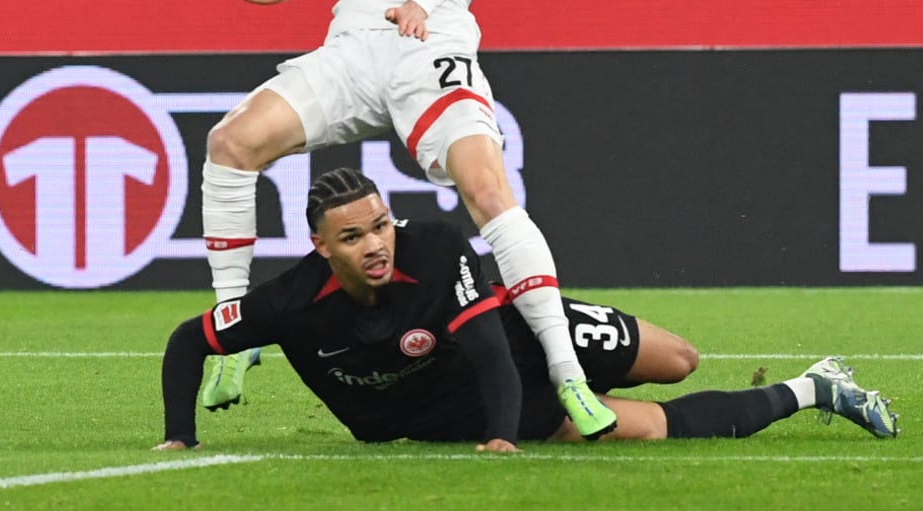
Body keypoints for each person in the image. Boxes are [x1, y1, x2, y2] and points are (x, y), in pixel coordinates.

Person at [155, 168, 899, 451]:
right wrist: (179, 438)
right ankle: (812, 387)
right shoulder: (289, 303)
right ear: (321, 247)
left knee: (678, 361)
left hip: (504, 331)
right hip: (444, 408)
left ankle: (579, 378)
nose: (377, 245)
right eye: (353, 237)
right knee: (644, 431)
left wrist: (505, 437)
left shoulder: (436, 247)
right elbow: (190, 341)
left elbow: (486, 348)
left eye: (380, 224)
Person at [199, 0, 618, 439]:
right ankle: (235, 329)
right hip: (354, 46)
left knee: (488, 191)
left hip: (430, 42)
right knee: (230, 143)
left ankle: (568, 375)